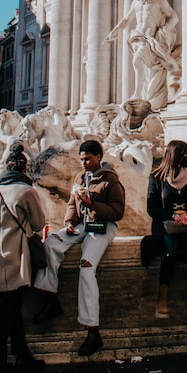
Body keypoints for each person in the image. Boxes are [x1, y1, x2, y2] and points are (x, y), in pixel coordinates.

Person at [33, 139, 125, 358]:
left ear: (98, 158)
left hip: (103, 227)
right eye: (81, 159)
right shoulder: (80, 178)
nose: (83, 163)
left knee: (86, 267)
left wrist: (92, 204)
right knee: (51, 243)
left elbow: (117, 212)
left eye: (87, 159)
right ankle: (50, 297)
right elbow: (72, 204)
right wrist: (70, 222)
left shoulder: (111, 180)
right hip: (83, 226)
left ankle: (93, 330)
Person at [0, 143, 46, 373]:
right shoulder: (25, 191)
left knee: (12, 307)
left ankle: (23, 356)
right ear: (24, 168)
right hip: (16, 258)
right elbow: (39, 223)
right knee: (10, 309)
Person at [147, 139, 187, 319]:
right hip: (168, 226)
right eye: (185, 153)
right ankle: (163, 296)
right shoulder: (157, 178)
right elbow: (152, 208)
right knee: (169, 248)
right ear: (175, 156)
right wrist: (174, 216)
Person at [105, 0, 180, 111]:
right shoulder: (136, 3)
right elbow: (126, 20)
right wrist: (114, 32)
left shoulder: (159, 1)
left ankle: (138, 93)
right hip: (137, 37)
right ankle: (145, 94)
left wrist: (163, 30)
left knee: (137, 62)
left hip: (151, 39)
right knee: (144, 67)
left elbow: (174, 18)